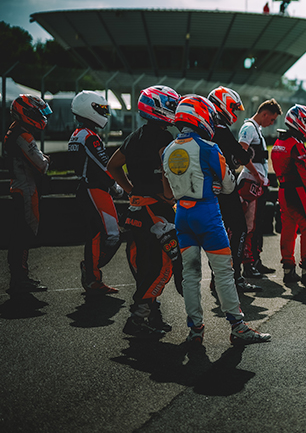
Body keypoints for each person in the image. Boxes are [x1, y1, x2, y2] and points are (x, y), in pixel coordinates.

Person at [163, 95, 271, 345]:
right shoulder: (209, 148)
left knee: (190, 275)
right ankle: (238, 327)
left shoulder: (168, 150)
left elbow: (168, 192)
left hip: (182, 215)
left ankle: (195, 330)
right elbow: (229, 186)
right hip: (208, 214)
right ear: (200, 117)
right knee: (223, 271)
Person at [108, 85, 182, 337]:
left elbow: (112, 166)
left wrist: (131, 189)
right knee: (162, 267)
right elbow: (167, 174)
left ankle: (151, 315)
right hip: (157, 212)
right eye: (171, 105)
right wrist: (169, 196)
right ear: (157, 107)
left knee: (144, 265)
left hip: (136, 210)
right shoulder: (166, 139)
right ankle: (138, 319)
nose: (175, 109)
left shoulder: (134, 136)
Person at [207, 86, 261, 293]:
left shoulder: (208, 127)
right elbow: (242, 155)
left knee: (217, 233)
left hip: (208, 188)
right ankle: (235, 277)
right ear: (223, 104)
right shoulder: (220, 129)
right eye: (233, 108)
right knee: (239, 229)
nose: (235, 113)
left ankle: (217, 278)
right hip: (223, 188)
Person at [69, 90, 122, 294]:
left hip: (86, 189)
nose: (104, 113)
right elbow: (105, 165)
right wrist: (116, 186)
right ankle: (91, 272)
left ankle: (92, 275)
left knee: (96, 234)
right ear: (88, 109)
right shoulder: (89, 137)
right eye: (100, 109)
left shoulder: (77, 134)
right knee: (112, 236)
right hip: (94, 189)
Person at [4, 94, 52, 295]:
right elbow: (42, 165)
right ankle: (20, 278)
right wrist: (46, 160)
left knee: (20, 233)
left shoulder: (14, 130)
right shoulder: (23, 136)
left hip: (18, 186)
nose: (40, 116)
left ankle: (19, 277)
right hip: (25, 188)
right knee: (24, 233)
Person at [271, 104, 306, 285]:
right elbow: (305, 174)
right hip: (297, 191)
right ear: (299, 122)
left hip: (283, 190)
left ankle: (288, 269)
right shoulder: (296, 145)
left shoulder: (278, 143)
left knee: (288, 229)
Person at [237, 99, 281, 279]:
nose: (272, 123)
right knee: (249, 226)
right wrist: (256, 174)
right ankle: (248, 265)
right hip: (250, 183)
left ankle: (255, 261)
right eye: (272, 119)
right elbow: (241, 154)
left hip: (257, 183)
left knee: (257, 224)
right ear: (264, 114)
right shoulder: (248, 128)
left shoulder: (257, 129)